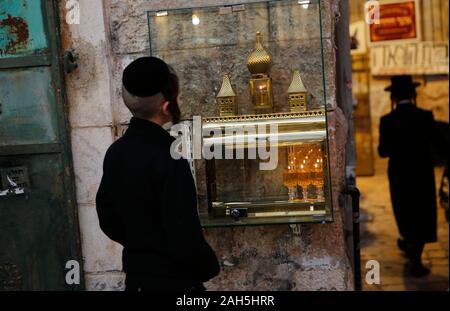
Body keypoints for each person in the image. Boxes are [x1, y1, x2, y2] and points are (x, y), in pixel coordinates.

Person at [96, 57, 220, 290]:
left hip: (138, 279)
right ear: (166, 107)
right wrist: (208, 267)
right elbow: (183, 233)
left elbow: (108, 218)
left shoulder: (116, 152)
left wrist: (142, 244)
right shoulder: (169, 157)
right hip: (174, 282)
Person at [378, 75, 438, 277]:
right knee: (422, 211)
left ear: (393, 97)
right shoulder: (425, 116)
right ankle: (415, 255)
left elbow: (383, 151)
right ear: (413, 94)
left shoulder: (387, 121)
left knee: (404, 210)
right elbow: (434, 145)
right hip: (421, 173)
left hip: (399, 174)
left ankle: (409, 244)